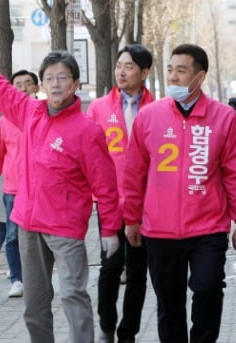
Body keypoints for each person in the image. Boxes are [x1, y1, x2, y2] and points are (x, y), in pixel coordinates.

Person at [0, 51, 122, 343]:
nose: (55, 84)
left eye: (63, 78)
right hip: (28, 223)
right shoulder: (29, 113)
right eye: (49, 78)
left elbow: (105, 186)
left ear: (75, 84)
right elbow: (0, 88)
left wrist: (110, 229)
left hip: (65, 227)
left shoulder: (87, 131)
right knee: (34, 303)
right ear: (41, 84)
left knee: (72, 295)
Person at [123, 44, 236, 343]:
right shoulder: (149, 116)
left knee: (208, 289)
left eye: (182, 71)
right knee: (169, 304)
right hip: (160, 229)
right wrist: (131, 217)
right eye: (170, 70)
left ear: (200, 76)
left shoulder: (223, 118)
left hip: (208, 227)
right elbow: (134, 172)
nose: (174, 77)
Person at [86, 44, 154, 343]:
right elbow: (86, 152)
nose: (121, 71)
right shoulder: (99, 108)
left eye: (128, 66)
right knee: (110, 265)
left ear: (145, 72)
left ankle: (129, 332)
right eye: (118, 66)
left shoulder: (158, 109)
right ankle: (106, 325)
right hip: (110, 200)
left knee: (138, 271)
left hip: (147, 202)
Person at [0, 69, 39, 298]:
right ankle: (17, 279)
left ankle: (39, 278)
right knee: (13, 235)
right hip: (14, 190)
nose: (23, 88)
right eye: (18, 84)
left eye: (28, 83)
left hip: (43, 188)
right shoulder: (5, 122)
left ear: (37, 87)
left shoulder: (45, 115)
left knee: (43, 237)